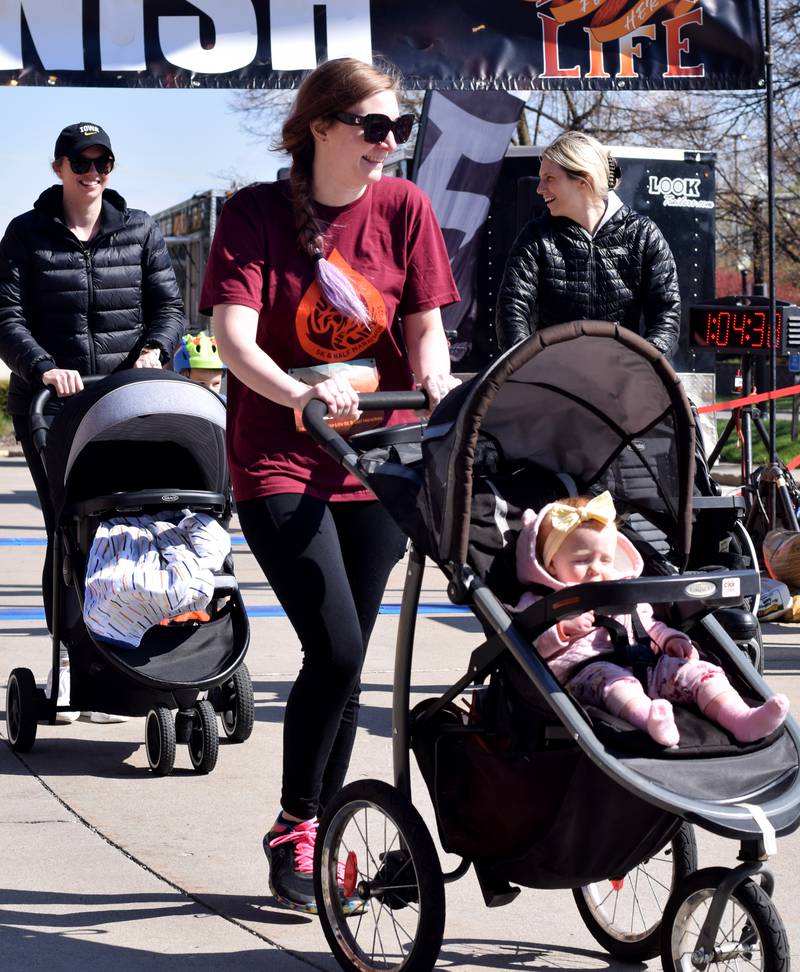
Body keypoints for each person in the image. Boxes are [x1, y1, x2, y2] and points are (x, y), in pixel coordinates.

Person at [199, 57, 460, 913]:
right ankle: (296, 826)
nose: (389, 144)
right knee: (338, 649)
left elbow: (425, 326)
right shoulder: (253, 214)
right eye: (373, 128)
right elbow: (235, 338)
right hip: (279, 455)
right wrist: (301, 392)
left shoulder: (406, 208)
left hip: (378, 461)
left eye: (399, 128)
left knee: (341, 663)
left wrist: (436, 383)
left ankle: (328, 825)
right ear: (321, 127)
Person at [0, 121, 185, 721]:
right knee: (71, 530)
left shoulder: (140, 230)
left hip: (126, 399)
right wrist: (45, 367)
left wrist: (155, 350)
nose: (93, 170)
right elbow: (5, 317)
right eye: (81, 160)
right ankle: (80, 661)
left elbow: (170, 307)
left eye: (103, 160)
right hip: (53, 407)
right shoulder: (26, 235)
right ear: (59, 167)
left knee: (138, 522)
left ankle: (145, 652)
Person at [515, 492, 789, 747]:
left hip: (647, 665)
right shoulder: (541, 602)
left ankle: (741, 718)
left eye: (606, 560)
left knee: (700, 672)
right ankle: (650, 721)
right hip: (586, 676)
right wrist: (561, 631)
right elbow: (528, 649)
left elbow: (648, 623)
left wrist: (670, 638)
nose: (597, 569)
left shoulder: (622, 591)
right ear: (551, 564)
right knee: (617, 682)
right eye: (582, 560)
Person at [495, 131, 680, 357]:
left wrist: (642, 367)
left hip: (622, 379)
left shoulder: (643, 235)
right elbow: (512, 311)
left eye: (549, 179)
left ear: (583, 181)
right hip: (553, 379)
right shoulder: (535, 236)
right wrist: (531, 368)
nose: (539, 188)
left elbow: (666, 315)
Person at [174, 331, 226, 397]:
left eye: (216, 384)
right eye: (202, 384)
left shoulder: (224, 403)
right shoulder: (175, 402)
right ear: (183, 378)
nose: (210, 391)